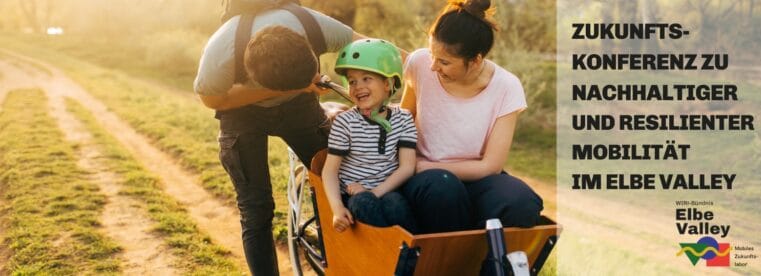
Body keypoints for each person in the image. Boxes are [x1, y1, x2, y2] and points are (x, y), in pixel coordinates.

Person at [193, 6, 366, 275]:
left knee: (343, 184)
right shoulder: (221, 48)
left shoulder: (309, 23)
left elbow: (369, 46)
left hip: (299, 106)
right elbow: (212, 99)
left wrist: (421, 64)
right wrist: (282, 88)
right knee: (256, 209)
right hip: (239, 114)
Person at [400, 0, 543, 234]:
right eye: (432, 55)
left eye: (444, 62)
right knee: (443, 188)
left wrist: (427, 166)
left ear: (476, 60)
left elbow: (491, 165)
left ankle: (492, 266)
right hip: (427, 180)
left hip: (475, 177)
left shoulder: (507, 86)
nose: (434, 67)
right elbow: (403, 120)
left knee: (521, 201)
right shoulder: (419, 64)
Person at [321, 39, 419, 234]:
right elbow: (329, 171)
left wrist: (375, 192)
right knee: (361, 202)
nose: (358, 86)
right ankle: (390, 257)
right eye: (352, 81)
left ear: (387, 83)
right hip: (354, 195)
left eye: (367, 78)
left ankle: (413, 255)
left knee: (396, 203)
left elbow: (407, 167)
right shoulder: (345, 123)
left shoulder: (404, 119)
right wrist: (337, 209)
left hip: (387, 190)